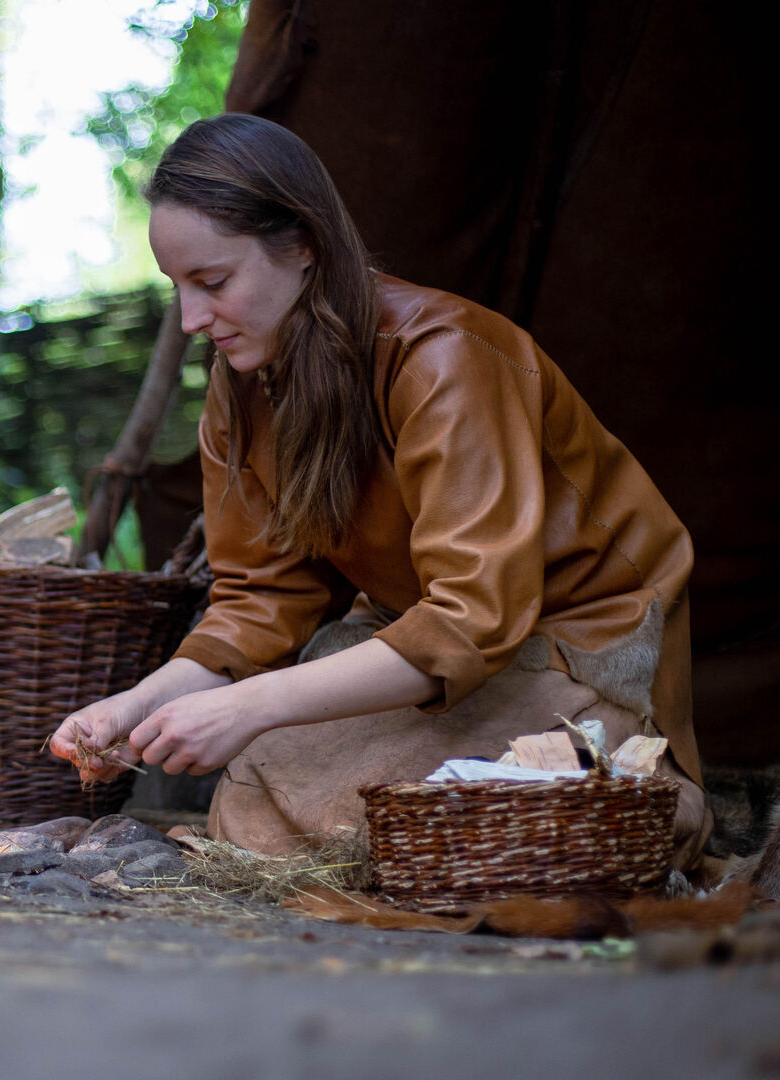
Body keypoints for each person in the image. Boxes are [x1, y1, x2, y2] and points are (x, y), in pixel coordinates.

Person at [48, 113, 711, 870]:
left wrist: (249, 705)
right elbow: (257, 605)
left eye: (213, 282)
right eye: (178, 289)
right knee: (256, 800)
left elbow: (471, 620)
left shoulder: (443, 358)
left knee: (450, 820)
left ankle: (652, 789)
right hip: (408, 638)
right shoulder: (240, 392)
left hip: (565, 643)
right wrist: (136, 705)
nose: (193, 320)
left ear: (302, 245)